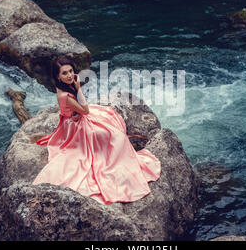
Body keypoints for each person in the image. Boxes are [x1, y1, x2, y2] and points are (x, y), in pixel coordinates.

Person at [32, 56, 161, 205]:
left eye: (70, 71)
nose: (68, 76)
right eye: (64, 73)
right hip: (75, 126)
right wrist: (79, 89)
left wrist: (75, 106)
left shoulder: (64, 86)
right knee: (110, 136)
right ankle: (117, 167)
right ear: (57, 76)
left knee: (111, 119)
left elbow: (80, 110)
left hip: (76, 117)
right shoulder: (64, 95)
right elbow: (85, 110)